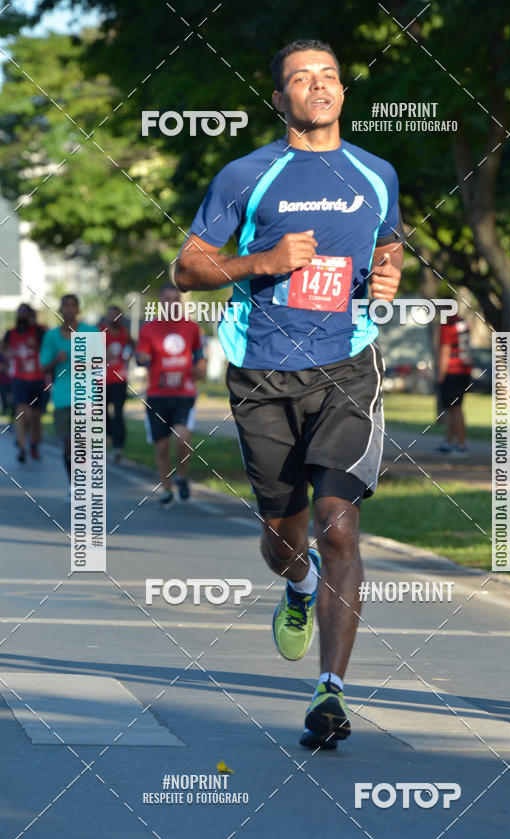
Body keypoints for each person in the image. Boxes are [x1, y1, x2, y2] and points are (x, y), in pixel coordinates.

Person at [175, 39, 403, 748]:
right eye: (302, 79)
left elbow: (387, 243)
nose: (320, 86)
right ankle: (297, 586)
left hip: (347, 366)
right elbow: (188, 269)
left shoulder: (377, 172)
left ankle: (330, 696)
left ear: (342, 91)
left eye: (329, 76)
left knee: (339, 522)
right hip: (262, 373)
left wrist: (388, 276)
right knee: (285, 539)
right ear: (279, 99)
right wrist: (263, 262)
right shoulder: (247, 175)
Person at [136, 282, 206, 508]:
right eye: (167, 299)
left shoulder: (191, 327)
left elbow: (199, 354)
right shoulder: (148, 328)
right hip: (157, 394)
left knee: (183, 437)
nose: (171, 304)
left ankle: (182, 476)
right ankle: (166, 490)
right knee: (162, 446)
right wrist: (142, 359)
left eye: (175, 299)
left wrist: (201, 366)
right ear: (160, 302)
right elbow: (140, 355)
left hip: (184, 393)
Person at [39, 294, 98, 496]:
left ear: (78, 309)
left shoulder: (90, 332)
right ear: (61, 309)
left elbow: (100, 364)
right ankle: (74, 483)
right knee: (68, 445)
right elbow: (43, 366)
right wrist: (57, 360)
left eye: (73, 306)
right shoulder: (51, 337)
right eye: (66, 306)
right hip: (63, 396)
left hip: (86, 396)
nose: (69, 309)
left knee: (82, 442)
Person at [3, 303, 47, 462]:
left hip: (38, 380)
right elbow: (3, 348)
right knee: (21, 412)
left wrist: (37, 344)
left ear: (30, 315)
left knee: (35, 416)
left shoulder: (39, 332)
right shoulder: (10, 333)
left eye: (25, 312)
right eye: (19, 312)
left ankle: (34, 444)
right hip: (19, 379)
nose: (22, 315)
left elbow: (48, 349)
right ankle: (22, 448)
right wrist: (7, 360)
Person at [437, 312, 473, 456]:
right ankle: (449, 442)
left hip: (452, 371)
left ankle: (461, 444)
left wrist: (441, 375)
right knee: (453, 408)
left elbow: (445, 351)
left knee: (454, 409)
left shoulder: (448, 326)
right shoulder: (463, 324)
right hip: (465, 370)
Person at [101, 305, 133, 461]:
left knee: (119, 413)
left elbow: (133, 346)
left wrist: (129, 355)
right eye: (111, 314)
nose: (114, 318)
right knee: (103, 413)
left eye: (117, 315)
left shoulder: (124, 333)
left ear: (120, 317)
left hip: (120, 379)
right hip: (103, 380)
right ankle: (108, 437)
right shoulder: (101, 332)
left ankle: (118, 446)